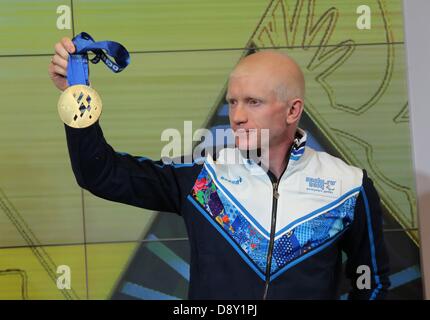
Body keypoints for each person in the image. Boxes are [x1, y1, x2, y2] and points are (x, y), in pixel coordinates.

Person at [49, 37, 390, 300]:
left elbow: (371, 281)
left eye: (253, 102)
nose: (237, 116)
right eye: (232, 102)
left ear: (292, 110)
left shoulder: (349, 186)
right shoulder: (204, 179)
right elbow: (101, 174)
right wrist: (77, 94)